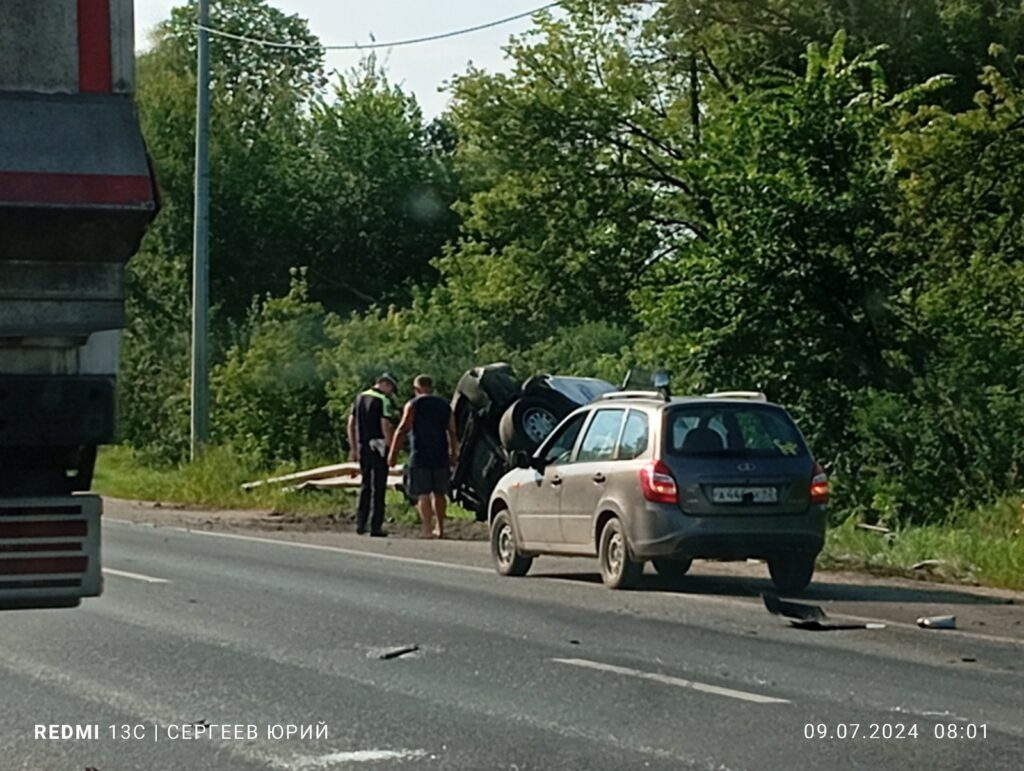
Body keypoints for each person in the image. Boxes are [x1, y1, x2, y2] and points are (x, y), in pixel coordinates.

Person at [388, 374, 458, 539]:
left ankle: (427, 529)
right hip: (440, 453)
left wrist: (393, 453)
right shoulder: (445, 405)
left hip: (420, 453)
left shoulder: (413, 404)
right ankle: (440, 528)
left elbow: (403, 428)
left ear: (417, 389)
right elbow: (452, 431)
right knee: (440, 493)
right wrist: (454, 452)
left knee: (423, 493)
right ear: (431, 387)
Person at [347, 373, 398, 536]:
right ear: (385, 384)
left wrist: (353, 448)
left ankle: (360, 524)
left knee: (366, 485)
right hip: (378, 446)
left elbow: (350, 424)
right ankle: (376, 526)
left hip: (363, 446)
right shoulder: (383, 400)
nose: (390, 393)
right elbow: (385, 425)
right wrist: (391, 448)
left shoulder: (359, 397)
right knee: (379, 487)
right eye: (391, 389)